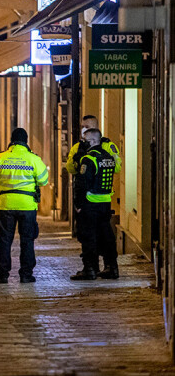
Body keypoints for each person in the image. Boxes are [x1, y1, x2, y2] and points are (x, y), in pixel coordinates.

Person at [0, 128, 49, 283]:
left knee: (5, 240)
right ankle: (26, 275)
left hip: (6, 204)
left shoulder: (1, 157)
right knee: (27, 240)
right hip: (27, 205)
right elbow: (43, 180)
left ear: (11, 140)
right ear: (26, 141)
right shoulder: (33, 159)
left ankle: (2, 275)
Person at [66, 114, 121, 274]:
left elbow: (116, 167)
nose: (84, 129)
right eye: (83, 126)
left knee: (93, 234)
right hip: (99, 199)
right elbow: (70, 168)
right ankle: (102, 266)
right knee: (100, 233)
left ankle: (94, 267)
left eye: (87, 126)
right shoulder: (78, 147)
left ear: (96, 128)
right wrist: (80, 157)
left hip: (92, 198)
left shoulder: (107, 146)